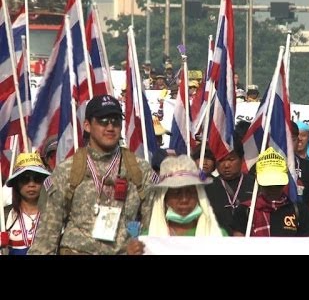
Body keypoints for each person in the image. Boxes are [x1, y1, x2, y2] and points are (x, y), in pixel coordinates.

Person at [28, 95, 160, 255]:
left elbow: (154, 227)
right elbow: (46, 235)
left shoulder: (139, 169)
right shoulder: (67, 170)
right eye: (103, 121)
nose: (110, 127)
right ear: (87, 125)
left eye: (116, 121)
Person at [127, 155, 226, 254]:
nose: (184, 199)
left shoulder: (218, 236)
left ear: (199, 196)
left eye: (190, 192)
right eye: (176, 193)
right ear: (164, 199)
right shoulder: (146, 240)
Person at [231, 147, 309, 237]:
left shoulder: (299, 211)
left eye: (277, 184)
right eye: (268, 185)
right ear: (257, 180)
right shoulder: (244, 211)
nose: (273, 189)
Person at [205, 132, 255, 235]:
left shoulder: (255, 185)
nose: (226, 165)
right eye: (221, 160)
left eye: (231, 159)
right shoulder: (207, 187)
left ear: (241, 160)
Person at [1, 153, 50, 255]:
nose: (31, 184)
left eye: (37, 179)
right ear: (16, 183)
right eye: (25, 179)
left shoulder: (56, 213)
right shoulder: (5, 217)